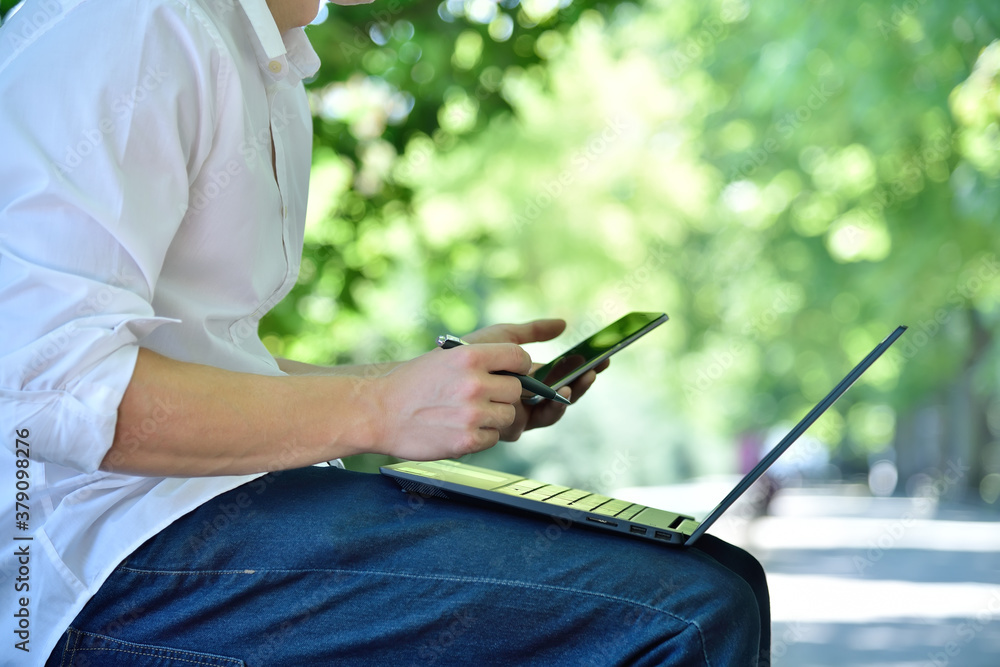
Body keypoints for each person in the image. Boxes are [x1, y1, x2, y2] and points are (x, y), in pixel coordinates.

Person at [0, 0, 770, 663]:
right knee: (688, 610)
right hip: (90, 573)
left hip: (198, 523)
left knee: (726, 576)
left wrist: (416, 390)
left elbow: (208, 359)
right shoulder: (136, 23)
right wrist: (379, 410)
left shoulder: (262, 54)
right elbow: (50, 388)